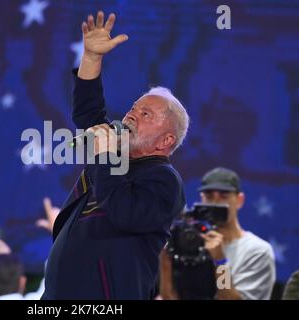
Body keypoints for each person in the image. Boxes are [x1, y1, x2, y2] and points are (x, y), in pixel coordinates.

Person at [41, 11, 189, 300]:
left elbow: (125, 213)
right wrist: (92, 59)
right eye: (134, 108)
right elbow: (88, 113)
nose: (132, 114)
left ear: (166, 140)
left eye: (145, 113)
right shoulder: (114, 155)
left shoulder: (165, 180)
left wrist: (107, 155)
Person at [159, 167, 276, 300]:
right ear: (201, 199)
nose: (215, 202)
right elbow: (168, 296)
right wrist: (165, 263)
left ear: (239, 200)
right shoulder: (186, 243)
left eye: (224, 196)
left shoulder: (257, 251)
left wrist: (220, 263)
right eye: (209, 196)